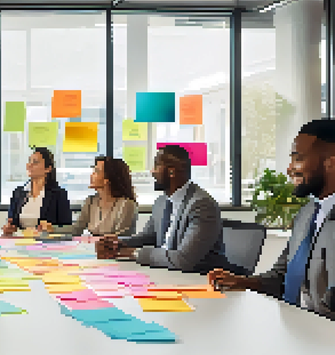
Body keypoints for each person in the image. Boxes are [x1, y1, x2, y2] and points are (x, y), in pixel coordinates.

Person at [208, 119, 335, 319]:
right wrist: (242, 282)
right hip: (292, 326)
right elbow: (280, 277)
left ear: (331, 163)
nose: (290, 169)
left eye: (298, 159)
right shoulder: (306, 214)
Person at [97, 144, 229, 273]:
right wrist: (118, 243)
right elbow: (149, 237)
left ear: (171, 171)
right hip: (166, 273)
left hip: (198, 279)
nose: (152, 172)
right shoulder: (161, 202)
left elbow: (184, 259)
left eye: (156, 166)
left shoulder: (202, 205)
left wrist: (132, 253)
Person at [2, 147, 71, 236]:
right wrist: (9, 228)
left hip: (48, 244)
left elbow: (67, 227)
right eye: (29, 161)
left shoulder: (58, 194)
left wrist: (52, 228)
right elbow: (12, 222)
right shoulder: (18, 193)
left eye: (35, 162)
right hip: (21, 243)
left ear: (48, 169)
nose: (29, 165)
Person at [72, 156, 138, 236]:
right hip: (94, 247)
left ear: (107, 180)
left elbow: (121, 237)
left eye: (96, 172)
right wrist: (54, 230)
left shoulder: (126, 205)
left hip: (115, 247)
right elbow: (76, 229)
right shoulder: (91, 202)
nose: (91, 175)